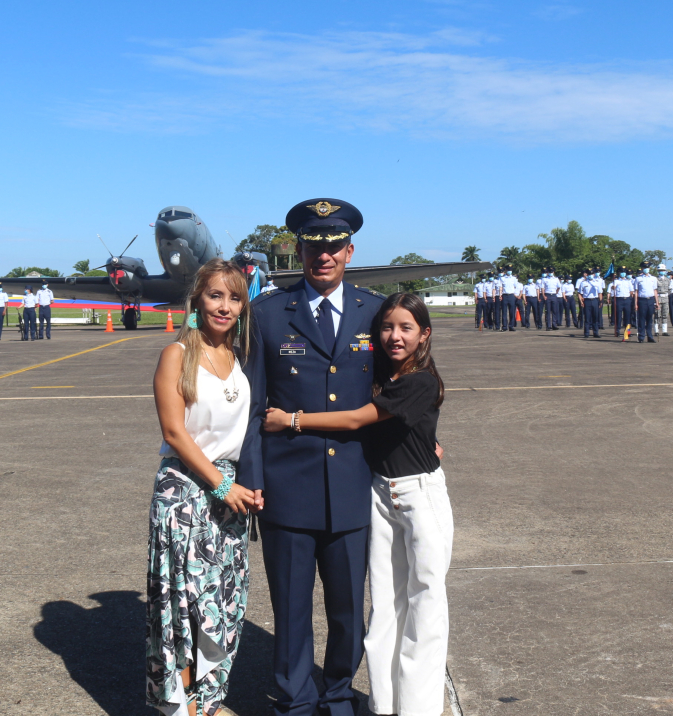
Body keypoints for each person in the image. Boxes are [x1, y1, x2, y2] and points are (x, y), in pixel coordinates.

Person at [264, 292, 452, 716]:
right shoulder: (387, 373)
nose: (394, 336)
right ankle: (385, 705)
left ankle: (415, 709)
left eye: (406, 328)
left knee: (423, 606)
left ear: (425, 335)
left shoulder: (419, 379)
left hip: (416, 498)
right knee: (384, 607)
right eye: (387, 328)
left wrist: (291, 420)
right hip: (379, 494)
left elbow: (355, 419)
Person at [240, 198, 384, 716]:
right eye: (313, 248)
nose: (323, 257)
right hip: (287, 485)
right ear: (300, 251)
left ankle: (339, 692)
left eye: (333, 248)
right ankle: (296, 700)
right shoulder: (268, 314)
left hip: (352, 483)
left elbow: (399, 390)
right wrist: (252, 479)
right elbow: (254, 406)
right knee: (292, 609)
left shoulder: (376, 312)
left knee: (348, 611)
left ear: (349, 251)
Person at [147, 258, 259, 716]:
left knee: (223, 605)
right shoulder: (177, 354)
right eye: (216, 295)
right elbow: (175, 432)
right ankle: (183, 706)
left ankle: (209, 701)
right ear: (197, 299)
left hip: (229, 495)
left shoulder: (240, 357)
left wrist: (242, 487)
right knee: (186, 604)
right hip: (185, 494)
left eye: (234, 298)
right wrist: (219, 485)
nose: (225, 306)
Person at [634, 264, 658, 343]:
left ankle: (650, 336)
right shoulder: (638, 279)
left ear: (649, 268)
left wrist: (657, 302)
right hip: (642, 300)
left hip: (650, 300)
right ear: (642, 268)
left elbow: (655, 290)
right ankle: (641, 336)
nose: (646, 269)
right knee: (641, 319)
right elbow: (636, 292)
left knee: (649, 319)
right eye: (644, 268)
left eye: (647, 268)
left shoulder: (653, 278)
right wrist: (635, 303)